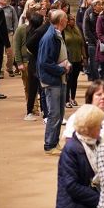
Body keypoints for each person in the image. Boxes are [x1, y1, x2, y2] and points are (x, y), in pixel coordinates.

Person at [54, 104, 104, 208]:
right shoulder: (71, 150)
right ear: (89, 127)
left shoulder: (100, 144)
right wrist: (100, 198)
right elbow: (71, 185)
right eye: (99, 125)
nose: (102, 128)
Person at [38, 9, 72, 154]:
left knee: (60, 113)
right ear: (61, 21)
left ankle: (55, 142)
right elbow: (44, 62)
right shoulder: (50, 37)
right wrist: (62, 69)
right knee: (54, 114)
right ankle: (49, 145)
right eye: (65, 18)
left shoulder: (57, 34)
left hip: (59, 79)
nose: (67, 19)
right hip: (53, 81)